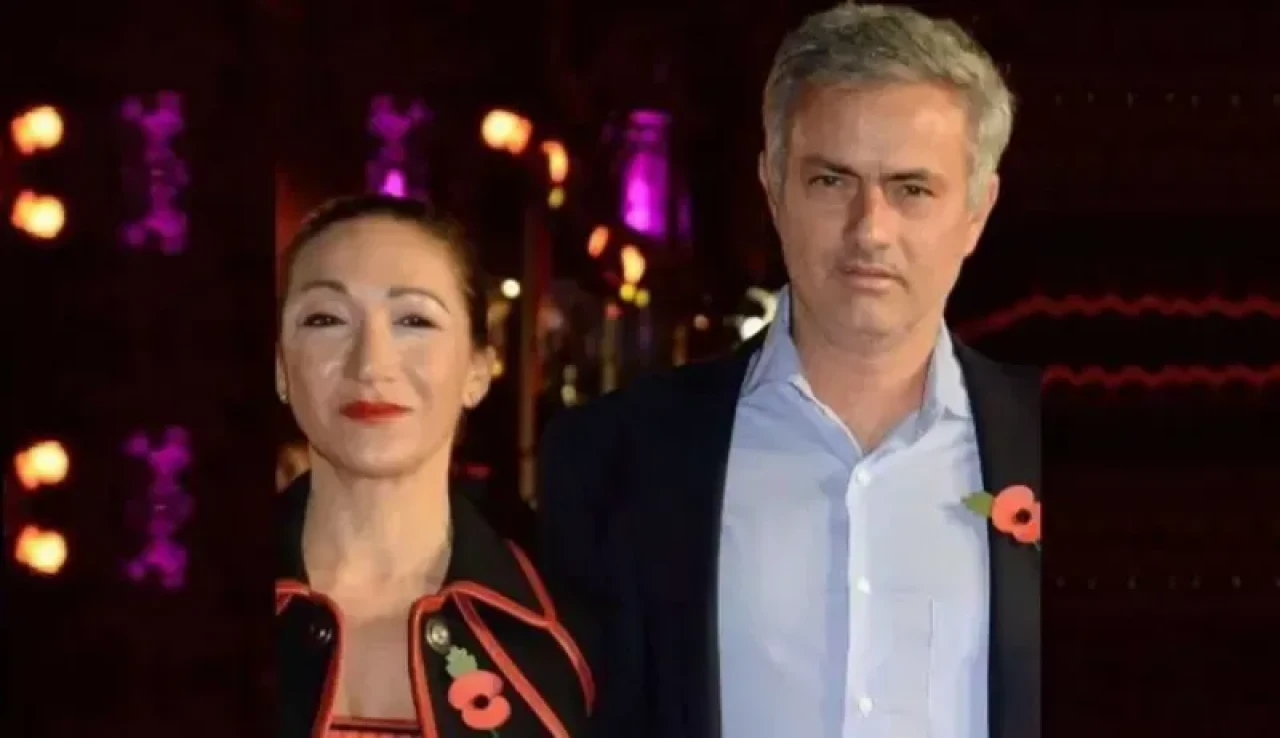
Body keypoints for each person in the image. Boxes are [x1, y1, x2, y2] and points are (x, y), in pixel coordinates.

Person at [537, 4, 1039, 738]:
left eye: (912, 189)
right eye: (832, 181)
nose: (870, 229)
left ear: (977, 210)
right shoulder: (617, 456)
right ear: (773, 188)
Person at [276, 194, 593, 738]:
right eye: (326, 319)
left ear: (478, 370)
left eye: (414, 320)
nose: (371, 364)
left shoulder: (572, 628)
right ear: (281, 368)